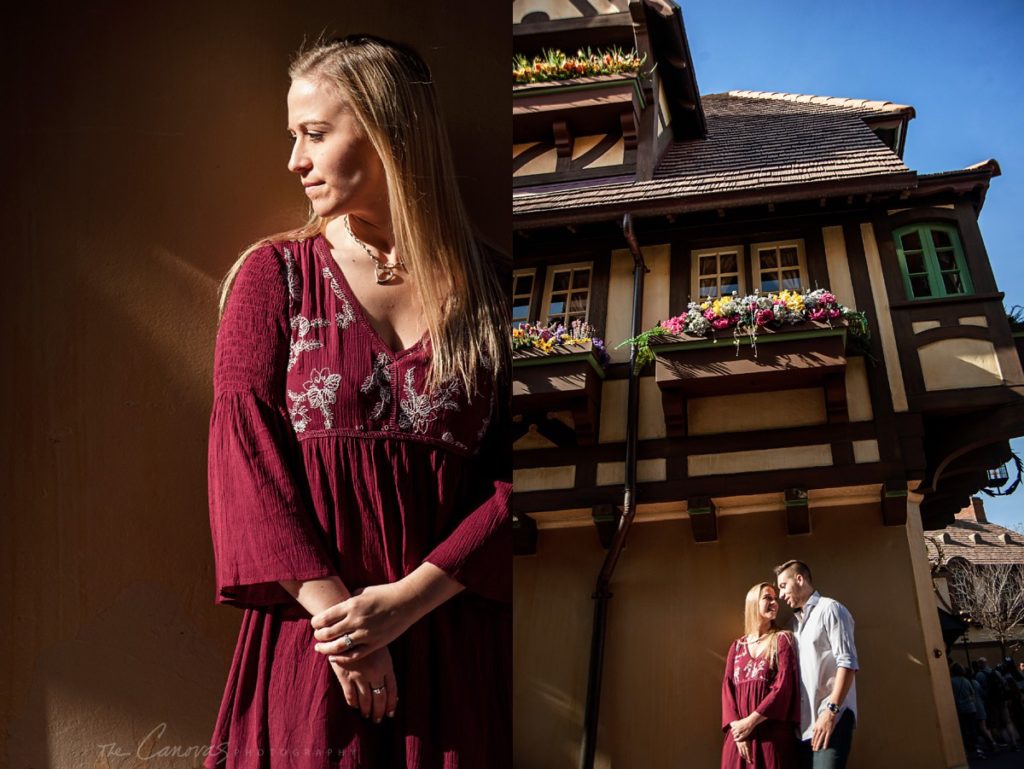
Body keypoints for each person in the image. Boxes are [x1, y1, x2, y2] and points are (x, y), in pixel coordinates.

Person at [204, 35, 510, 768]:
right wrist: (346, 628)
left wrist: (404, 603)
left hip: (450, 651)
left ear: (388, 131)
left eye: (314, 134)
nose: (294, 161)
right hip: (316, 656)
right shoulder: (273, 276)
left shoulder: (496, 292)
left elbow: (511, 482)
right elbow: (244, 459)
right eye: (292, 137)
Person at [775, 560, 858, 769]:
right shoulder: (792, 625)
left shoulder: (830, 609)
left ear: (800, 579)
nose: (781, 595)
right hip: (803, 728)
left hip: (831, 720)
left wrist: (831, 712)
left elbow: (847, 663)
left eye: (783, 586)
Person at [721, 582, 800, 768]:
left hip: (771, 738)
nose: (774, 602)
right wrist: (737, 730)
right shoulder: (737, 647)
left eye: (775, 599)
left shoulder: (782, 639)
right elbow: (727, 689)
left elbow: (783, 687)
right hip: (739, 740)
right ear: (753, 603)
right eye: (767, 598)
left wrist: (750, 722)